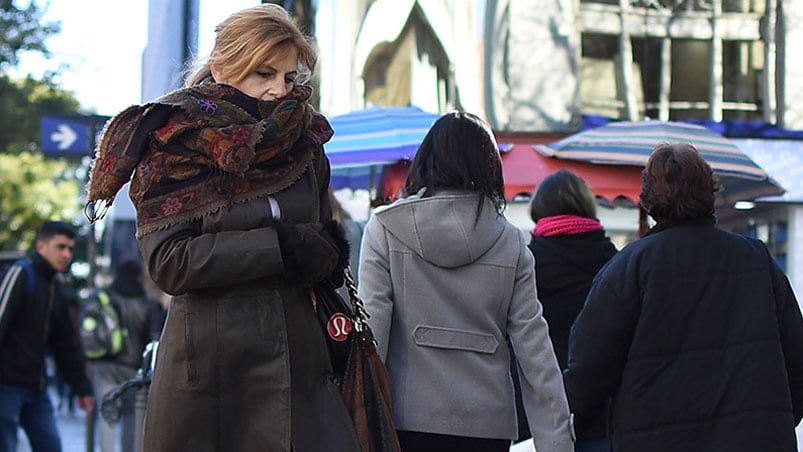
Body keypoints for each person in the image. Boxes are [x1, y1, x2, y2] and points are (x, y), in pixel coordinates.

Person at [83, 4, 359, 452]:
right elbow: (169, 265)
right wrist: (280, 247)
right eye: (263, 73)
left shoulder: (307, 145)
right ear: (223, 66)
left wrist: (327, 251)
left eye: (289, 78)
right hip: (210, 374)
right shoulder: (173, 141)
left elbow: (323, 238)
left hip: (301, 367)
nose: (277, 90)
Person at [563, 142, 803, 451]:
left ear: (648, 198)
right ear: (709, 190)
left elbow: (588, 370)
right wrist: (771, 422)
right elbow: (797, 360)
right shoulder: (756, 260)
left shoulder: (628, 268)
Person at [357, 112, 574, 452]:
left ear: (426, 158)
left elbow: (372, 335)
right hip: (488, 425)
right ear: (489, 166)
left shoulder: (385, 229)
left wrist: (360, 424)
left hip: (407, 420)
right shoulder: (511, 242)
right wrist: (557, 442)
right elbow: (536, 352)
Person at [514, 169, 617, 450]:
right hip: (606, 412)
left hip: (541, 410)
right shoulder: (616, 263)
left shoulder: (529, 265)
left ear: (540, 211)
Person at [0, 221, 95, 451]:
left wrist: (82, 388)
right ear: (41, 246)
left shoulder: (56, 287)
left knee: (51, 446)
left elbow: (65, 345)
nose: (67, 254)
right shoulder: (21, 274)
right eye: (60, 247)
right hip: (6, 386)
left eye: (70, 249)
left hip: (36, 388)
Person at [86, 259, 165, 452]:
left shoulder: (105, 297)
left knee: (107, 414)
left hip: (104, 366)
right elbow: (155, 337)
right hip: (133, 369)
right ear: (138, 277)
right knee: (132, 416)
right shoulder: (147, 304)